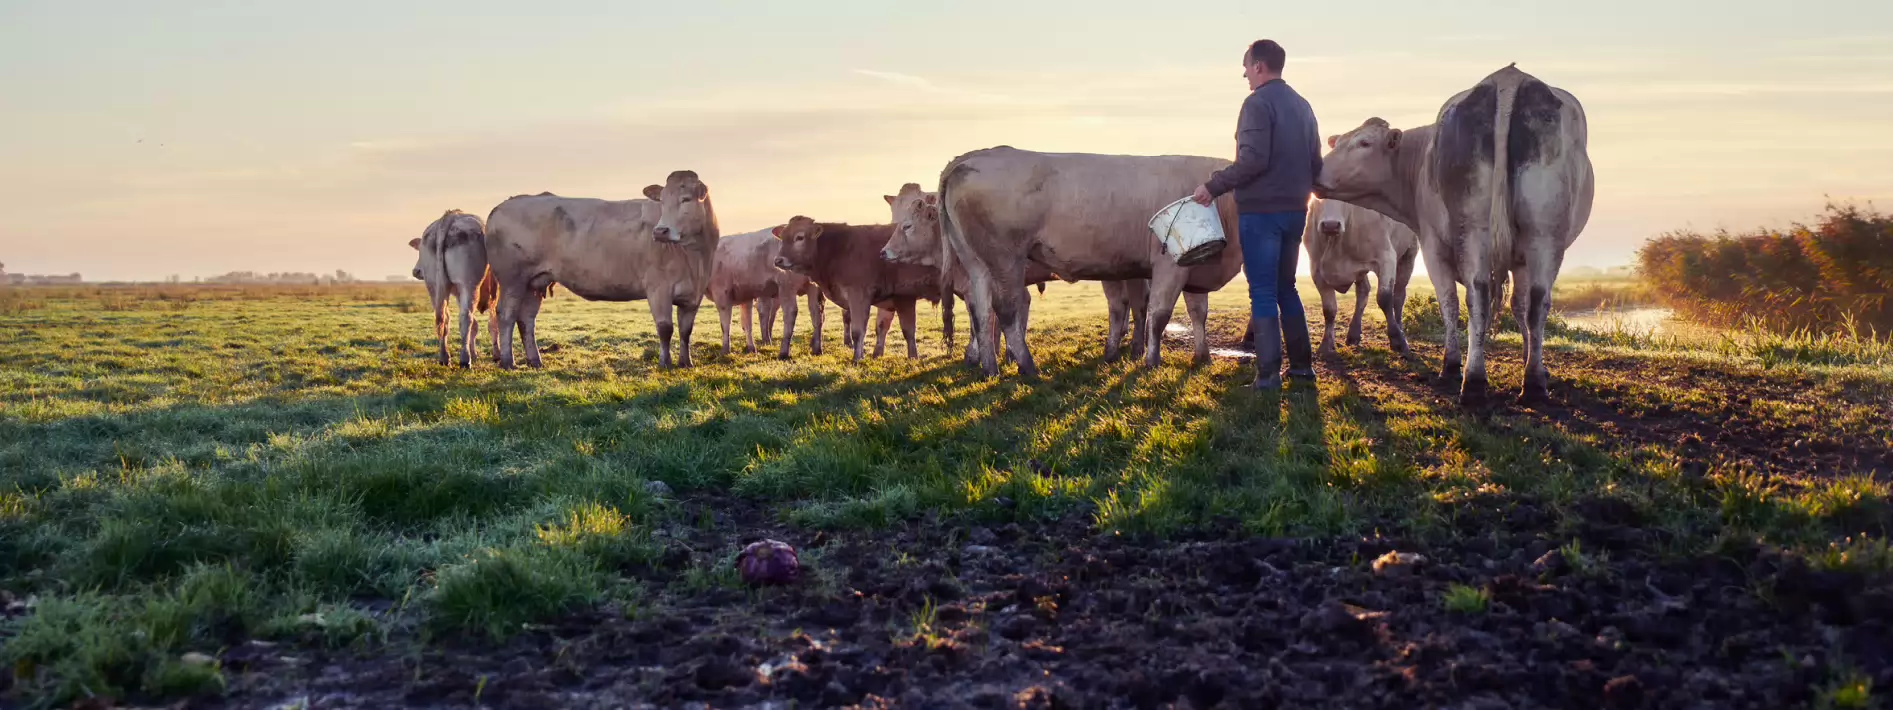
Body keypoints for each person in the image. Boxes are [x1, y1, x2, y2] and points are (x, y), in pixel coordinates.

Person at [1192, 39, 1322, 390]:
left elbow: (1252, 161)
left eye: (1247, 67)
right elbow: (1316, 165)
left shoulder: (1256, 104)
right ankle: (1302, 371)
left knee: (1262, 291)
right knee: (1287, 289)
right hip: (1297, 212)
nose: (1245, 74)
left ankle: (1267, 378)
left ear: (1260, 66)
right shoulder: (1303, 106)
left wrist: (1213, 187)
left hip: (1262, 213)